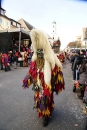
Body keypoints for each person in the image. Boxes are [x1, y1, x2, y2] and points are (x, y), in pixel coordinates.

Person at [22, 29, 65, 127]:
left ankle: (46, 115)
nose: (40, 53)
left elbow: (57, 69)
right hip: (38, 83)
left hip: (47, 84)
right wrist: (28, 80)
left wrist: (57, 82)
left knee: (46, 99)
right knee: (39, 98)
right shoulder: (36, 58)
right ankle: (42, 111)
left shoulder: (50, 57)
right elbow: (32, 71)